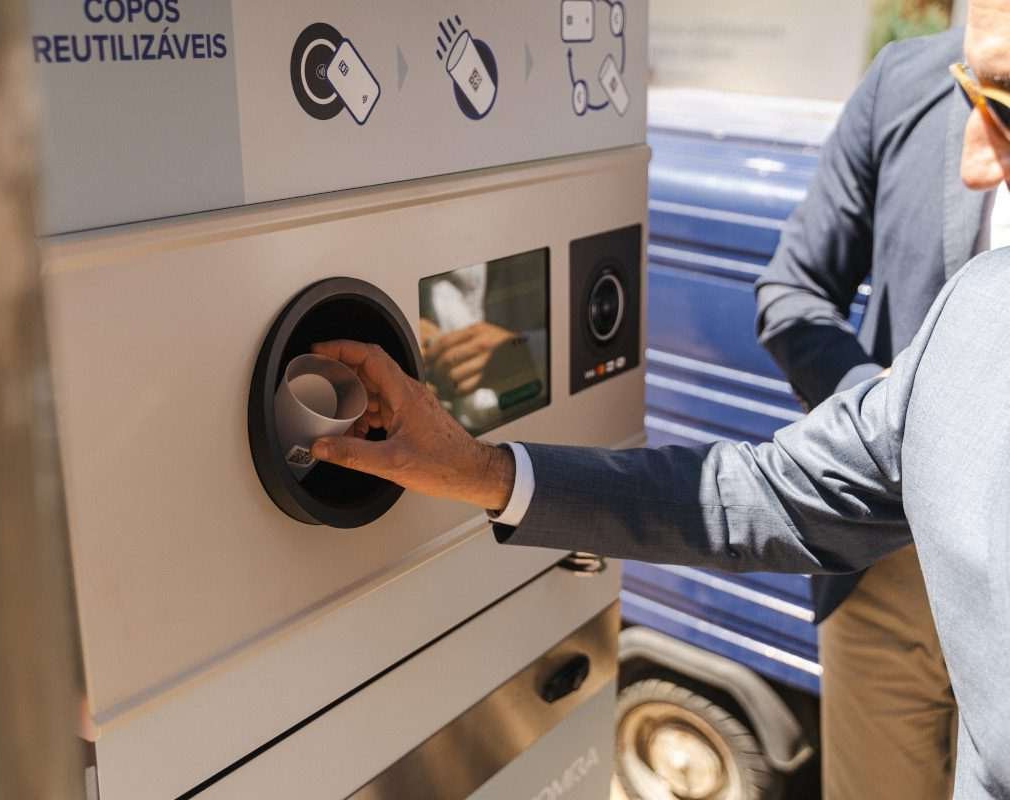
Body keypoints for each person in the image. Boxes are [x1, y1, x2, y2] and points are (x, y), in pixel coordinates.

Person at [308, 3, 1010, 794]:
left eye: (1007, 110)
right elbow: (756, 494)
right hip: (877, 557)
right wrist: (480, 470)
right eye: (972, 92)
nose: (977, 162)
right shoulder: (983, 302)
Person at [754, 24, 1010, 798]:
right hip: (884, 575)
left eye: (997, 105)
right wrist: (894, 421)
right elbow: (792, 291)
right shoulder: (902, 80)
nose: (976, 156)